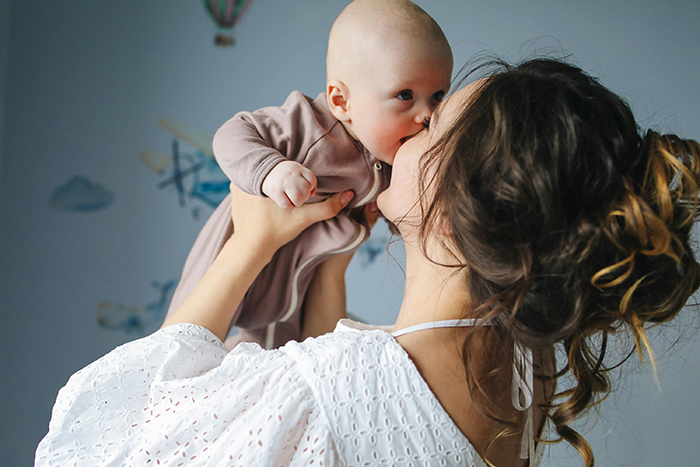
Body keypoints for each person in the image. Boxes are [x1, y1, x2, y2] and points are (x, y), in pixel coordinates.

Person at [35, 57, 700, 467]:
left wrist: (248, 243)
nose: (410, 128)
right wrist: (330, 266)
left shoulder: (325, 393)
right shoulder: (526, 368)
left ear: (449, 212)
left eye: (434, 127)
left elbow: (114, 437)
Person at [164, 0, 453, 350]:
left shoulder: (391, 155)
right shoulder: (309, 125)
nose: (426, 115)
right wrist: (271, 170)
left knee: (276, 357)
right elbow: (232, 133)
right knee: (181, 345)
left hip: (298, 280)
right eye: (405, 95)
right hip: (239, 247)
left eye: (437, 97)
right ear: (341, 101)